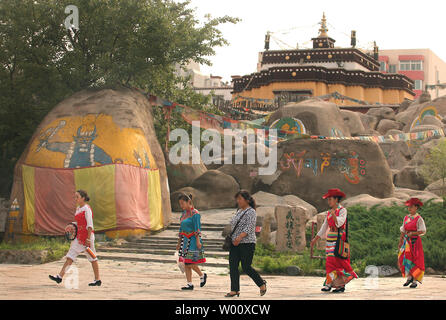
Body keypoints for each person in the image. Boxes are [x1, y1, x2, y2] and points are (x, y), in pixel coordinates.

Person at [49, 190, 101, 286]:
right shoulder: (78, 209)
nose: (75, 199)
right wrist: (72, 226)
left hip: (87, 237)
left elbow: (90, 225)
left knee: (92, 257)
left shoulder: (87, 209)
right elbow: (79, 223)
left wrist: (88, 239)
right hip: (79, 237)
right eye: (75, 197)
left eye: (77, 197)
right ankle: (59, 277)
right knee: (70, 256)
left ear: (83, 198)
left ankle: (97, 279)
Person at [310, 188, 357, 293]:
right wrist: (315, 239)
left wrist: (334, 215)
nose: (329, 201)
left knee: (338, 262)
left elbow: (339, 223)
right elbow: (324, 227)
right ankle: (331, 284)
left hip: (339, 240)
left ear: (336, 199)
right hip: (330, 240)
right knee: (331, 263)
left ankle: (336, 284)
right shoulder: (329, 212)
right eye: (328, 199)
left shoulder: (342, 211)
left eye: (330, 199)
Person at [226, 190, 266, 297]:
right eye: (237, 199)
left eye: (240, 198)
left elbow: (249, 227)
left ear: (247, 200)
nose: (238, 201)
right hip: (235, 243)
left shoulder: (251, 212)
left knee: (246, 267)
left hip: (247, 243)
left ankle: (261, 283)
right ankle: (234, 290)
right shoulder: (239, 211)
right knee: (233, 266)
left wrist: (239, 237)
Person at [176, 194, 207, 290]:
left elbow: (197, 228)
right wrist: (179, 242)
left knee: (190, 262)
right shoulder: (183, 214)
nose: (181, 206)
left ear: (188, 202)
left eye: (182, 203)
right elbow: (181, 229)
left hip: (193, 240)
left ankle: (202, 275)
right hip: (185, 241)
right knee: (186, 263)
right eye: (180, 204)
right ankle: (189, 284)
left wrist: (198, 241)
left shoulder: (195, 214)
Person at [398, 198, 426, 288]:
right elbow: (403, 230)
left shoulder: (419, 219)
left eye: (411, 207)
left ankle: (415, 280)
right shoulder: (406, 218)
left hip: (415, 242)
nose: (409, 208)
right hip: (406, 242)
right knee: (405, 259)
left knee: (415, 260)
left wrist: (413, 233)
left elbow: (422, 230)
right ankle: (409, 277)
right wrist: (401, 240)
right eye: (408, 207)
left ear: (416, 207)